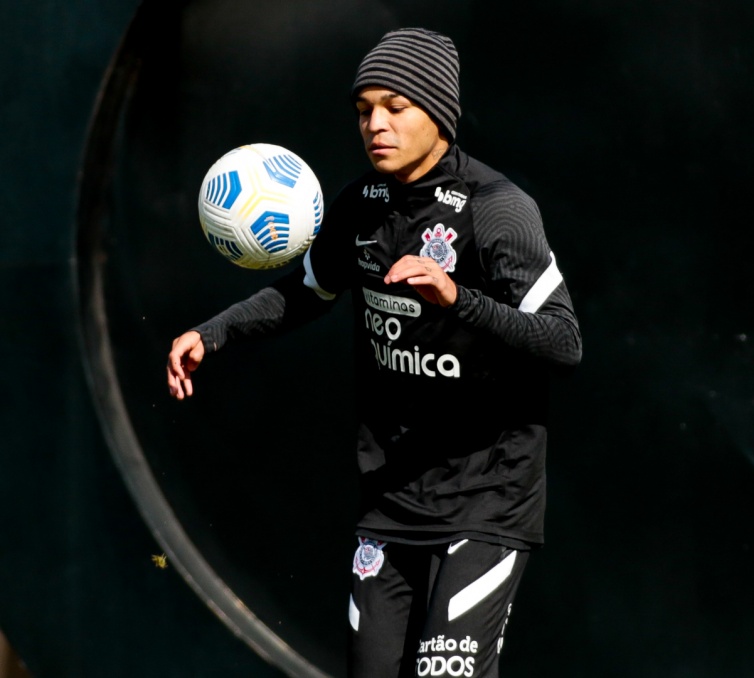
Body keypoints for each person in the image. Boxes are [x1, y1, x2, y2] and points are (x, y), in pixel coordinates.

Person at [166, 27, 581, 678]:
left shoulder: (497, 209)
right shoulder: (361, 204)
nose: (374, 125)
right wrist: (211, 333)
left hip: (485, 498)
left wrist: (459, 301)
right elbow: (306, 292)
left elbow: (563, 342)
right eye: (363, 111)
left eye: (394, 106)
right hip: (389, 504)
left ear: (436, 112)